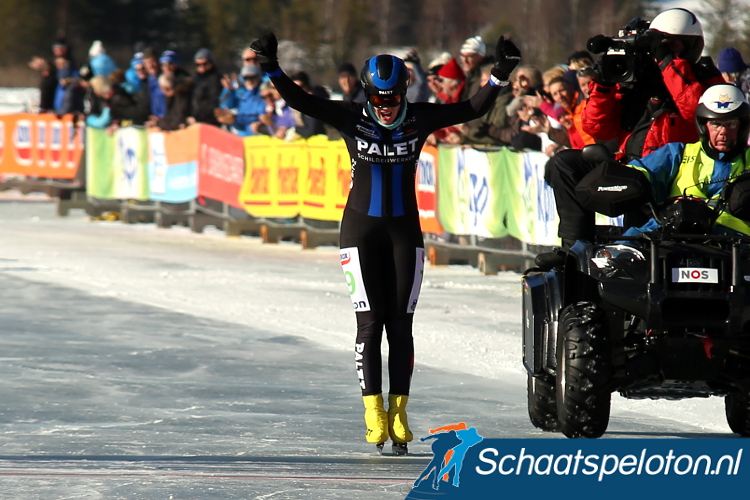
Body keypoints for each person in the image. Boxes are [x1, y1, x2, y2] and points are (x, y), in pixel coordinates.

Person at [250, 31, 520, 454]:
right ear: (368, 94)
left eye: (394, 98)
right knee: (370, 324)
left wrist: (501, 73)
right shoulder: (351, 117)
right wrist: (270, 65)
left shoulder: (420, 117)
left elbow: (472, 108)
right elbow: (301, 101)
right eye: (380, 99)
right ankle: (373, 412)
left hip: (404, 233)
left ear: (404, 92)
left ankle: (400, 411)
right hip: (359, 231)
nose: (388, 106)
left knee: (401, 326)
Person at [541, 7, 725, 256]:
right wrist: (604, 82)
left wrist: (668, 63)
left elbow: (694, 108)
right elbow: (596, 127)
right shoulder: (633, 79)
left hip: (676, 176)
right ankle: (576, 249)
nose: (668, 52)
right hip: (632, 170)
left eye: (673, 45)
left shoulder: (705, 79)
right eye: (661, 46)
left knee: (645, 248)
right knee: (565, 164)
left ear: (691, 46)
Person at [619, 83, 750, 238]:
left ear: (742, 126)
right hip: (668, 234)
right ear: (703, 125)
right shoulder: (678, 153)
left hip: (733, 243)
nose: (723, 132)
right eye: (716, 124)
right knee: (620, 252)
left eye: (731, 124)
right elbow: (636, 172)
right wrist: (628, 181)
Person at [190, 48, 223, 126]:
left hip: (210, 122)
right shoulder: (195, 79)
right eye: (198, 64)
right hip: (196, 121)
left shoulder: (215, 79)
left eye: (205, 64)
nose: (202, 67)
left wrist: (198, 117)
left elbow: (214, 102)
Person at [458, 35, 489, 101]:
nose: (465, 61)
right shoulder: (468, 77)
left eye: (469, 56)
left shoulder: (487, 76)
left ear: (480, 57)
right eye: (463, 56)